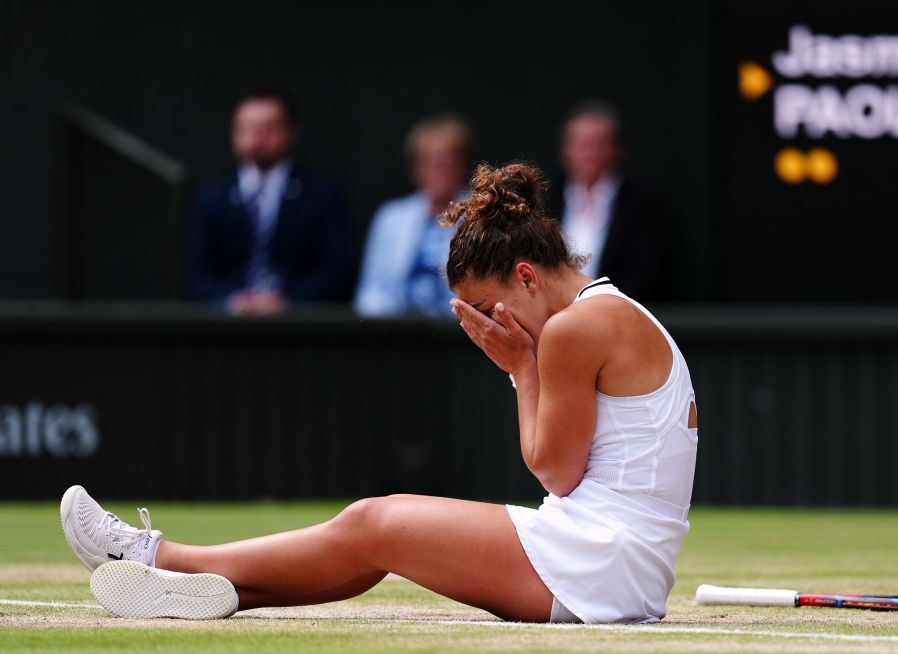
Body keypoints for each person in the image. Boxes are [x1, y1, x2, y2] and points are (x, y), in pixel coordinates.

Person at [59, 163, 698, 625]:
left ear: (526, 276)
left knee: (375, 521)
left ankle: (161, 556)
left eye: (482, 307)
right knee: (374, 536)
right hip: (617, 566)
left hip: (602, 567)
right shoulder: (610, 311)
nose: (482, 325)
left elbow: (556, 473)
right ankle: (218, 586)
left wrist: (520, 370)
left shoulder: (574, 329)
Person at [189, 88, 357, 315]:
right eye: (247, 128)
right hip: (225, 328)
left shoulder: (323, 195)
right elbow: (197, 275)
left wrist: (288, 303)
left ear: (292, 131)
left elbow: (337, 273)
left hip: (302, 327)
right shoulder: (212, 197)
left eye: (268, 128)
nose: (257, 138)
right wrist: (234, 302)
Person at [552, 99, 670, 303]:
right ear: (566, 150)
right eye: (580, 144)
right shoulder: (546, 197)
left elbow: (645, 276)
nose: (588, 154)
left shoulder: (642, 207)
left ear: (616, 150)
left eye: (597, 145)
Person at [354, 115, 472, 317]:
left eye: (445, 163)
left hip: (459, 333)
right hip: (396, 334)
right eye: (428, 163)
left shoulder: (481, 215)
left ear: (462, 166)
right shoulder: (391, 217)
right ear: (416, 168)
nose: (438, 171)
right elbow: (370, 293)